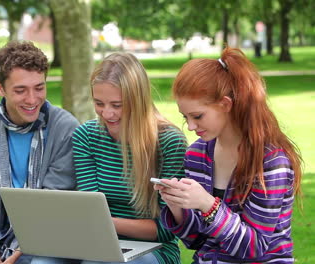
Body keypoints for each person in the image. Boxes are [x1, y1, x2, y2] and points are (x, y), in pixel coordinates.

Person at [154, 47, 302, 263]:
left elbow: (254, 248)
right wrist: (177, 205)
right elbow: (197, 240)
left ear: (225, 104)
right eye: (185, 117)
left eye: (197, 116)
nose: (191, 126)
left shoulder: (271, 162)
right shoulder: (197, 154)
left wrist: (207, 204)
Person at [0, 41, 80, 264]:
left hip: (50, 236)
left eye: (39, 88)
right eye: (20, 90)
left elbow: (50, 205)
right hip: (3, 237)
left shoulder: (64, 127)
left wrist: (13, 258)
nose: (32, 99)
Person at [67, 52, 188, 264]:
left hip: (153, 250)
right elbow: (90, 207)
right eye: (99, 103)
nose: (107, 114)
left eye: (117, 105)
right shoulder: (86, 136)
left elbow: (166, 230)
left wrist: (104, 223)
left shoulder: (170, 142)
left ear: (138, 101)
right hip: (96, 241)